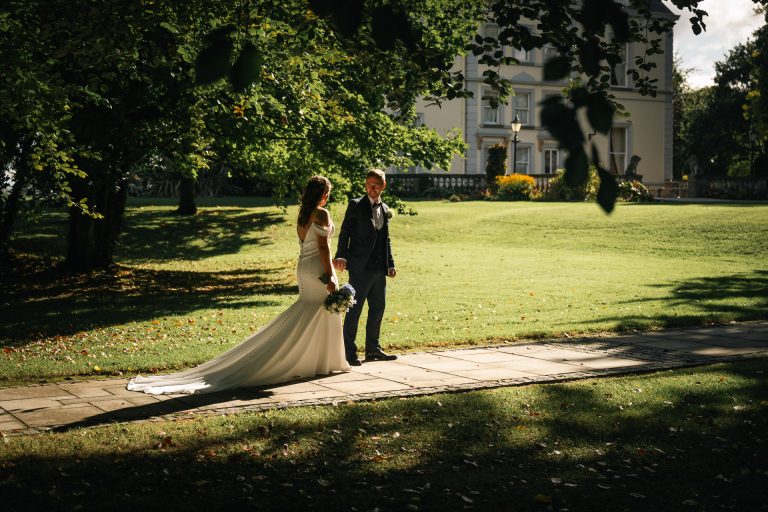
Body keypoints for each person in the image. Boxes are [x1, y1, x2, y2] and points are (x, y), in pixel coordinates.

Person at [127, 176, 350, 394]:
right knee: (318, 309)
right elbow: (322, 247)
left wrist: (329, 264)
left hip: (305, 267)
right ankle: (303, 359)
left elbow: (311, 245)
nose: (327, 198)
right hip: (318, 269)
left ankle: (318, 360)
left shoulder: (303, 214)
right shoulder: (321, 213)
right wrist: (330, 274)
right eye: (327, 194)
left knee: (315, 309)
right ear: (323, 194)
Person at [333, 169, 398, 366]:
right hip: (360, 267)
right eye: (369, 184)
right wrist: (341, 255)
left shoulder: (384, 207)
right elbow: (345, 232)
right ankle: (349, 351)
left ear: (383, 186)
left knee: (378, 307)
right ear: (365, 185)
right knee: (355, 309)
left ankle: (373, 349)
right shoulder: (355, 205)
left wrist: (391, 264)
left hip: (379, 268)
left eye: (377, 184)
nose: (372, 188)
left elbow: (385, 239)